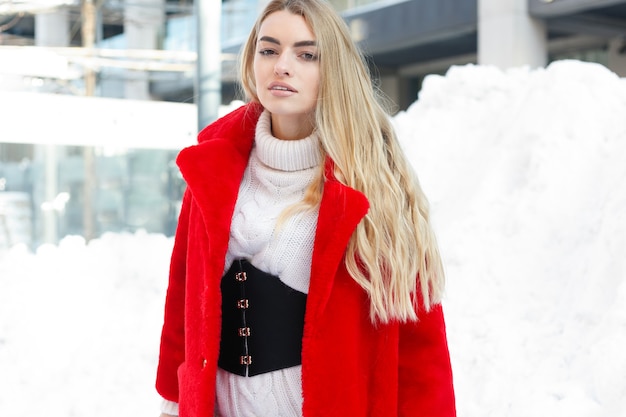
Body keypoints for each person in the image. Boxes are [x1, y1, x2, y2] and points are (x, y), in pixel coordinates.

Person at [155, 0, 456, 416]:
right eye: (269, 49)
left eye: (306, 54)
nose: (282, 65)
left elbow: (421, 353)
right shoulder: (210, 170)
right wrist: (173, 402)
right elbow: (183, 304)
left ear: (332, 70)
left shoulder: (373, 186)